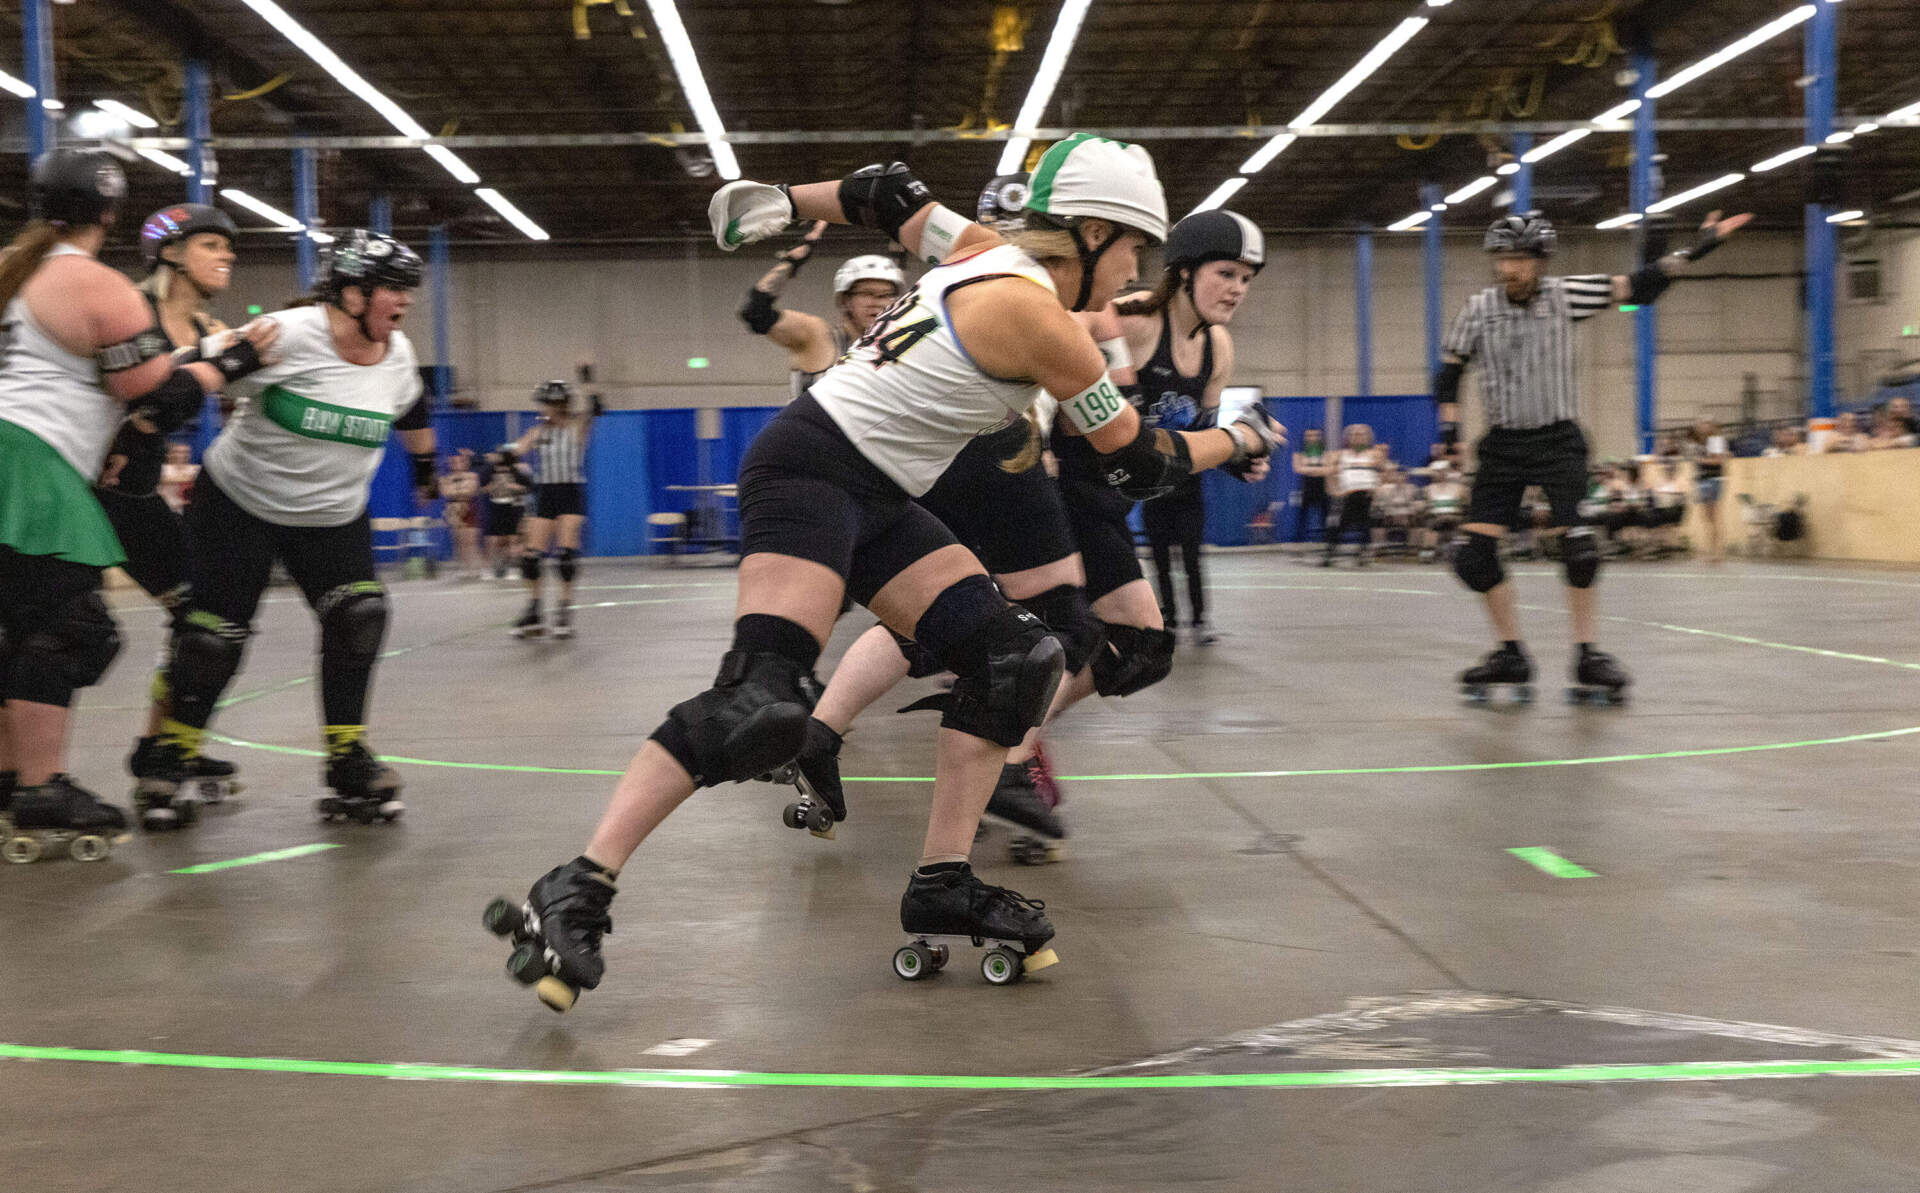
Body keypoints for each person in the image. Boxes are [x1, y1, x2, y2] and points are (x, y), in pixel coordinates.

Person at [483, 134, 1277, 1011]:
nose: (1135, 266)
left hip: (884, 495)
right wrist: (1240, 438)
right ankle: (576, 885)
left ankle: (942, 878)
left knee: (1013, 657)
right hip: (810, 471)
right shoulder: (1040, 318)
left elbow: (883, 194)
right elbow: (1138, 462)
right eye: (1131, 245)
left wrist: (783, 202)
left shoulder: (981, 247)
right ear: (1091, 232)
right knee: (760, 702)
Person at [0, 150, 270, 859]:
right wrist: (232, 362)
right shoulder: (96, 283)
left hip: (16, 455)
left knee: (17, 632)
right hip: (30, 465)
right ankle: (40, 786)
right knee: (67, 631)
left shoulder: (12, 270)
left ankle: (12, 779)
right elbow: (154, 392)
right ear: (112, 214)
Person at [133, 229, 435, 829]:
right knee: (213, 637)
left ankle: (347, 756)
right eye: (393, 291)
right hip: (238, 506)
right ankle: (171, 754)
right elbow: (170, 384)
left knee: (361, 615)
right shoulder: (285, 334)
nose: (405, 304)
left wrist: (425, 465)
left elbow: (413, 406)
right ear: (352, 293)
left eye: (408, 292)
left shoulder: (396, 354)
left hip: (331, 516)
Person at [1436, 209, 1749, 703]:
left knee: (1579, 550)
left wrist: (1704, 244)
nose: (1508, 268)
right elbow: (1450, 372)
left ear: (1540, 261)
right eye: (1502, 258)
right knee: (1473, 558)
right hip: (1502, 445)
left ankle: (1587, 656)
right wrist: (1450, 429)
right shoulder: (1478, 310)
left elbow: (1642, 288)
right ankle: (1510, 653)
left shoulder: (1567, 295)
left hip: (1559, 440)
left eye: (1519, 259)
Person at [102, 203, 249, 812]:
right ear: (171, 253)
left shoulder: (207, 325)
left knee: (201, 620)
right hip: (80, 489)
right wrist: (220, 359)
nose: (228, 256)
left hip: (135, 498)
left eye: (228, 248)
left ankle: (160, 746)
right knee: (54, 634)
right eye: (212, 245)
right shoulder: (131, 313)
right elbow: (153, 391)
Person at [738, 220, 905, 401]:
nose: (877, 303)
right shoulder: (818, 336)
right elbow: (755, 312)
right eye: (867, 294)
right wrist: (792, 262)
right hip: (811, 428)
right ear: (845, 300)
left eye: (885, 295)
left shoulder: (896, 349)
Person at [511, 378, 601, 639]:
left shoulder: (577, 425)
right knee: (530, 558)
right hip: (547, 493)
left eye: (546, 404)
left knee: (565, 555)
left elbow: (596, 407)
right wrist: (492, 457)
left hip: (570, 491)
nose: (542, 408)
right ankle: (535, 610)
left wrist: (587, 380)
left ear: (558, 404)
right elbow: (516, 450)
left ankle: (563, 610)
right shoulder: (538, 432)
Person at [1322, 424, 1385, 566]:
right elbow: (1329, 475)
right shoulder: (1340, 455)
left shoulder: (1374, 454)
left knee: (1363, 521)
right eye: (1354, 434)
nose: (1358, 437)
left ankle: (1360, 551)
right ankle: (1334, 551)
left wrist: (1378, 490)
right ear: (1348, 437)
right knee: (1345, 522)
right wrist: (1334, 491)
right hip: (1349, 495)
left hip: (1367, 495)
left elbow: (1384, 474)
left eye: (1361, 434)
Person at [1682, 419, 1731, 563]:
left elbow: (1718, 461)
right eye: (1700, 424)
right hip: (1702, 480)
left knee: (1714, 517)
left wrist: (1700, 460)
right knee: (1706, 519)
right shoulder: (1699, 444)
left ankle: (1717, 551)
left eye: (1705, 424)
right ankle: (1710, 550)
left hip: (1713, 480)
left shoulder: (1715, 441)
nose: (1702, 426)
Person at [481, 446, 532, 578]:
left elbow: (529, 487)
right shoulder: (490, 471)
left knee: (515, 538)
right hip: (496, 507)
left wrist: (514, 487)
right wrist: (491, 487)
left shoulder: (517, 472)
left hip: (513, 507)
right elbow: (482, 488)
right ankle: (500, 566)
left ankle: (517, 566)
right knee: (499, 540)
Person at [439, 448, 483, 579]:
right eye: (454, 462)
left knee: (471, 541)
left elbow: (471, 491)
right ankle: (464, 568)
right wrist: (461, 490)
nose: (457, 464)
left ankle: (475, 567)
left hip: (469, 508)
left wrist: (458, 491)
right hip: (453, 510)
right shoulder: (445, 478)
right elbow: (446, 492)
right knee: (459, 541)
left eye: (460, 461)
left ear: (465, 463)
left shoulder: (473, 476)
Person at [1418, 459, 1467, 563]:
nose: (1440, 474)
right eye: (1437, 472)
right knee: (1431, 524)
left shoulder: (1458, 488)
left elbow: (1463, 506)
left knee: (1452, 520)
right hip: (1435, 517)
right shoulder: (1428, 489)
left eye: (1442, 471)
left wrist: (1454, 513)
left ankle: (1457, 551)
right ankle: (1428, 550)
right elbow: (1426, 507)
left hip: (1454, 517)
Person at [1292, 427, 1331, 543]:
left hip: (1323, 487)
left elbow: (1328, 469)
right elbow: (1297, 468)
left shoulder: (1326, 452)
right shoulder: (1299, 453)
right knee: (1302, 517)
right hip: (1306, 488)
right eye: (1309, 436)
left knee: (1325, 514)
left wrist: (1309, 469)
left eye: (1316, 435)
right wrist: (1318, 469)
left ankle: (1328, 541)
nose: (1313, 438)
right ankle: (1298, 541)